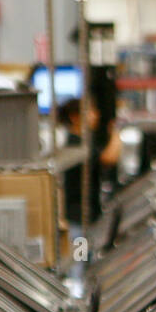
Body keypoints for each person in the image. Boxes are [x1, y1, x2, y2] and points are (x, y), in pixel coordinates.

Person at [58, 96, 121, 233]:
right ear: (75, 117)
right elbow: (109, 158)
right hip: (78, 220)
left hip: (86, 218)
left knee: (86, 253)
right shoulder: (76, 145)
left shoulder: (83, 143)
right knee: (81, 254)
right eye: (90, 111)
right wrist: (115, 131)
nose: (95, 116)